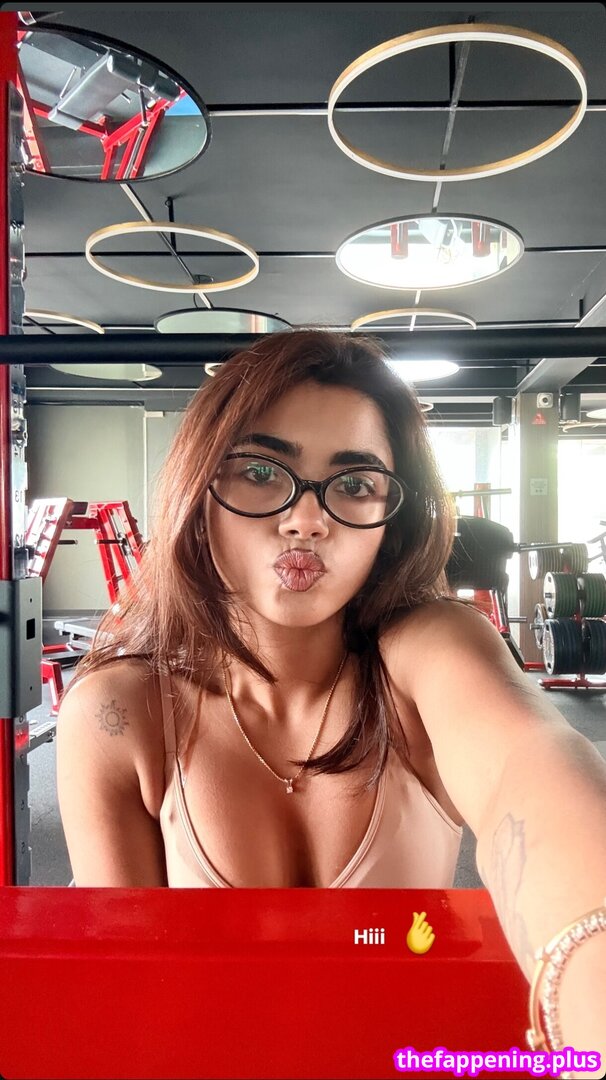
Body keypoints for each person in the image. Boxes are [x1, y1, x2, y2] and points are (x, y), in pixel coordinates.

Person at [56, 331, 606, 1074]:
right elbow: (131, 996)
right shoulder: (121, 715)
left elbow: (534, 769)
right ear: (198, 489)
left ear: (390, 521)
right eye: (260, 471)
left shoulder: (431, 656)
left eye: (354, 485)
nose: (307, 520)